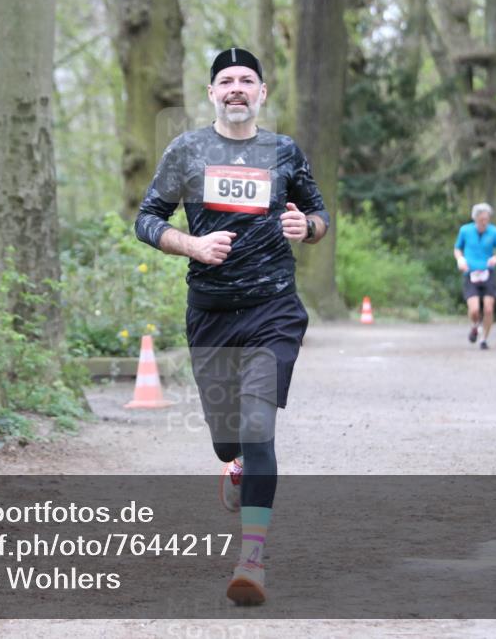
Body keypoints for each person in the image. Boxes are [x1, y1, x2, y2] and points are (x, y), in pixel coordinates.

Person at [134, 47, 329, 605]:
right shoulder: (187, 150)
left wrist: (305, 224)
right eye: (227, 81)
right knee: (228, 442)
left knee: (258, 426)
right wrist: (191, 243)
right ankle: (236, 465)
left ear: (263, 93)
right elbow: (146, 219)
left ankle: (252, 559)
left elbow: (319, 215)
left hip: (274, 310)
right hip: (211, 312)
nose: (237, 88)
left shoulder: (283, 151)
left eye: (248, 80)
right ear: (213, 93)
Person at [453, 202, 496, 349]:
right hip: (470, 272)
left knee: (488, 309)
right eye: (481, 220)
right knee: (473, 309)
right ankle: (474, 325)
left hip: (487, 273)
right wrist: (460, 259)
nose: (484, 222)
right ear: (475, 218)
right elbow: (457, 249)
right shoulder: (465, 231)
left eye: (487, 219)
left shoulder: (494, 232)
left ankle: (483, 339)